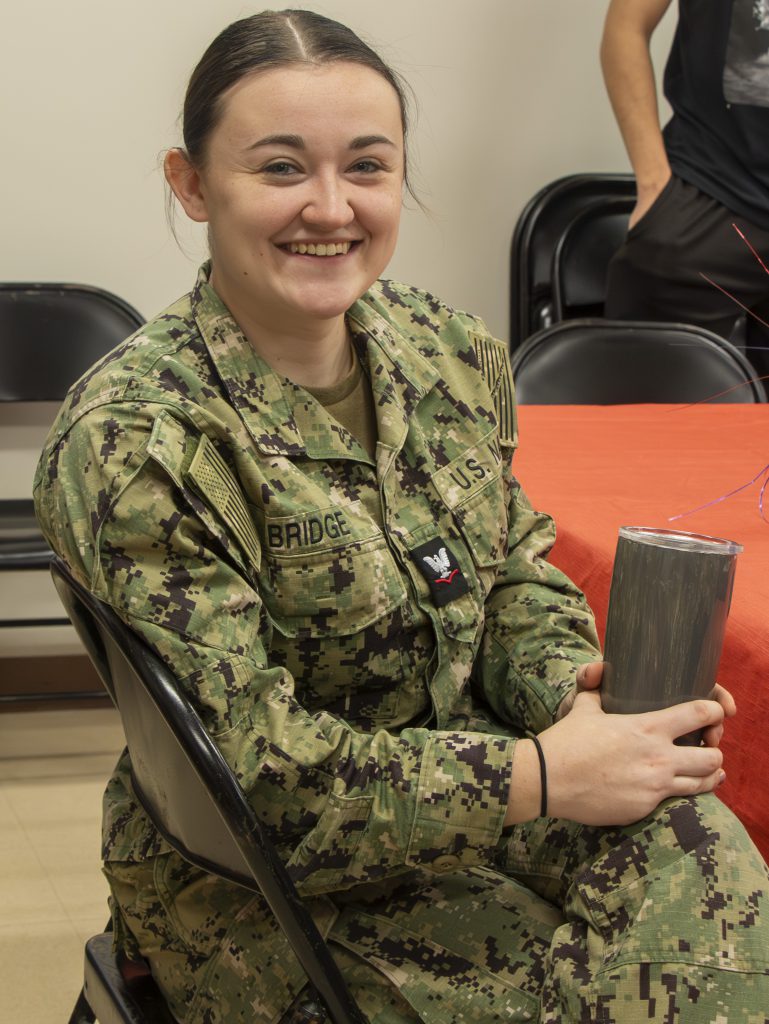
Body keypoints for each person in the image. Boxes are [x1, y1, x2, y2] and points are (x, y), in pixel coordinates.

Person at [35, 9, 769, 1023]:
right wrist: (544, 771)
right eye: (281, 168)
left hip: (492, 785)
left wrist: (573, 693)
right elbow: (254, 783)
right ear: (193, 184)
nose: (330, 208)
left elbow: (513, 573)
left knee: (708, 863)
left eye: (367, 167)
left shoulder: (449, 351)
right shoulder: (137, 440)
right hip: (266, 885)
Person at [601, 0, 769, 379]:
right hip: (710, 194)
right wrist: (653, 183)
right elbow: (627, 25)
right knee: (647, 421)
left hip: (707, 195)